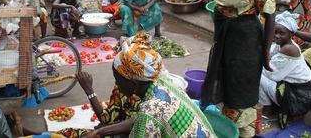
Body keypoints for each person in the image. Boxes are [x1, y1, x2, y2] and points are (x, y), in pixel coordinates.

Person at [187, 0, 276, 138]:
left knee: (241, 83)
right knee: (224, 75)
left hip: (245, 40)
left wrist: (266, 52)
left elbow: (270, 14)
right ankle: (228, 123)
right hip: (225, 36)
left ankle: (244, 131)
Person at [84, 32, 216, 138]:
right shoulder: (163, 83)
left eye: (117, 79)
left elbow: (146, 118)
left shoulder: (150, 110)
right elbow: (141, 118)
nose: (116, 83)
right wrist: (101, 132)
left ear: (132, 82)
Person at [259, 12, 311, 129]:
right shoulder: (285, 44)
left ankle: (267, 108)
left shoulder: (289, 49)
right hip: (299, 93)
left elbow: (272, 74)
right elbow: (270, 50)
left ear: (291, 34)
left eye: (281, 33)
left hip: (297, 99)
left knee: (257, 75)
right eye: (275, 32)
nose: (276, 36)